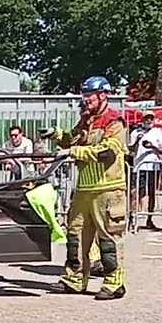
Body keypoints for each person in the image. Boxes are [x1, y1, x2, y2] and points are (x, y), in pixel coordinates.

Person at [53, 75, 129, 300]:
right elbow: (73, 141)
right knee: (75, 235)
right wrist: (57, 135)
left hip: (108, 187)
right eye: (84, 96)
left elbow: (107, 152)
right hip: (84, 187)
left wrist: (73, 152)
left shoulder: (115, 122)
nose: (85, 101)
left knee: (108, 237)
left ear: (103, 95)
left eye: (89, 96)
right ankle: (74, 279)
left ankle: (114, 282)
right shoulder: (86, 120)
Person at [130, 112, 162, 230]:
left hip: (153, 167)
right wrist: (137, 141)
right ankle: (132, 217)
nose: (149, 120)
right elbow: (130, 149)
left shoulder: (157, 132)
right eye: (147, 118)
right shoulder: (136, 132)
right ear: (143, 119)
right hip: (139, 167)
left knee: (152, 193)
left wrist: (152, 147)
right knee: (136, 193)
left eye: (151, 118)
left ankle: (149, 219)